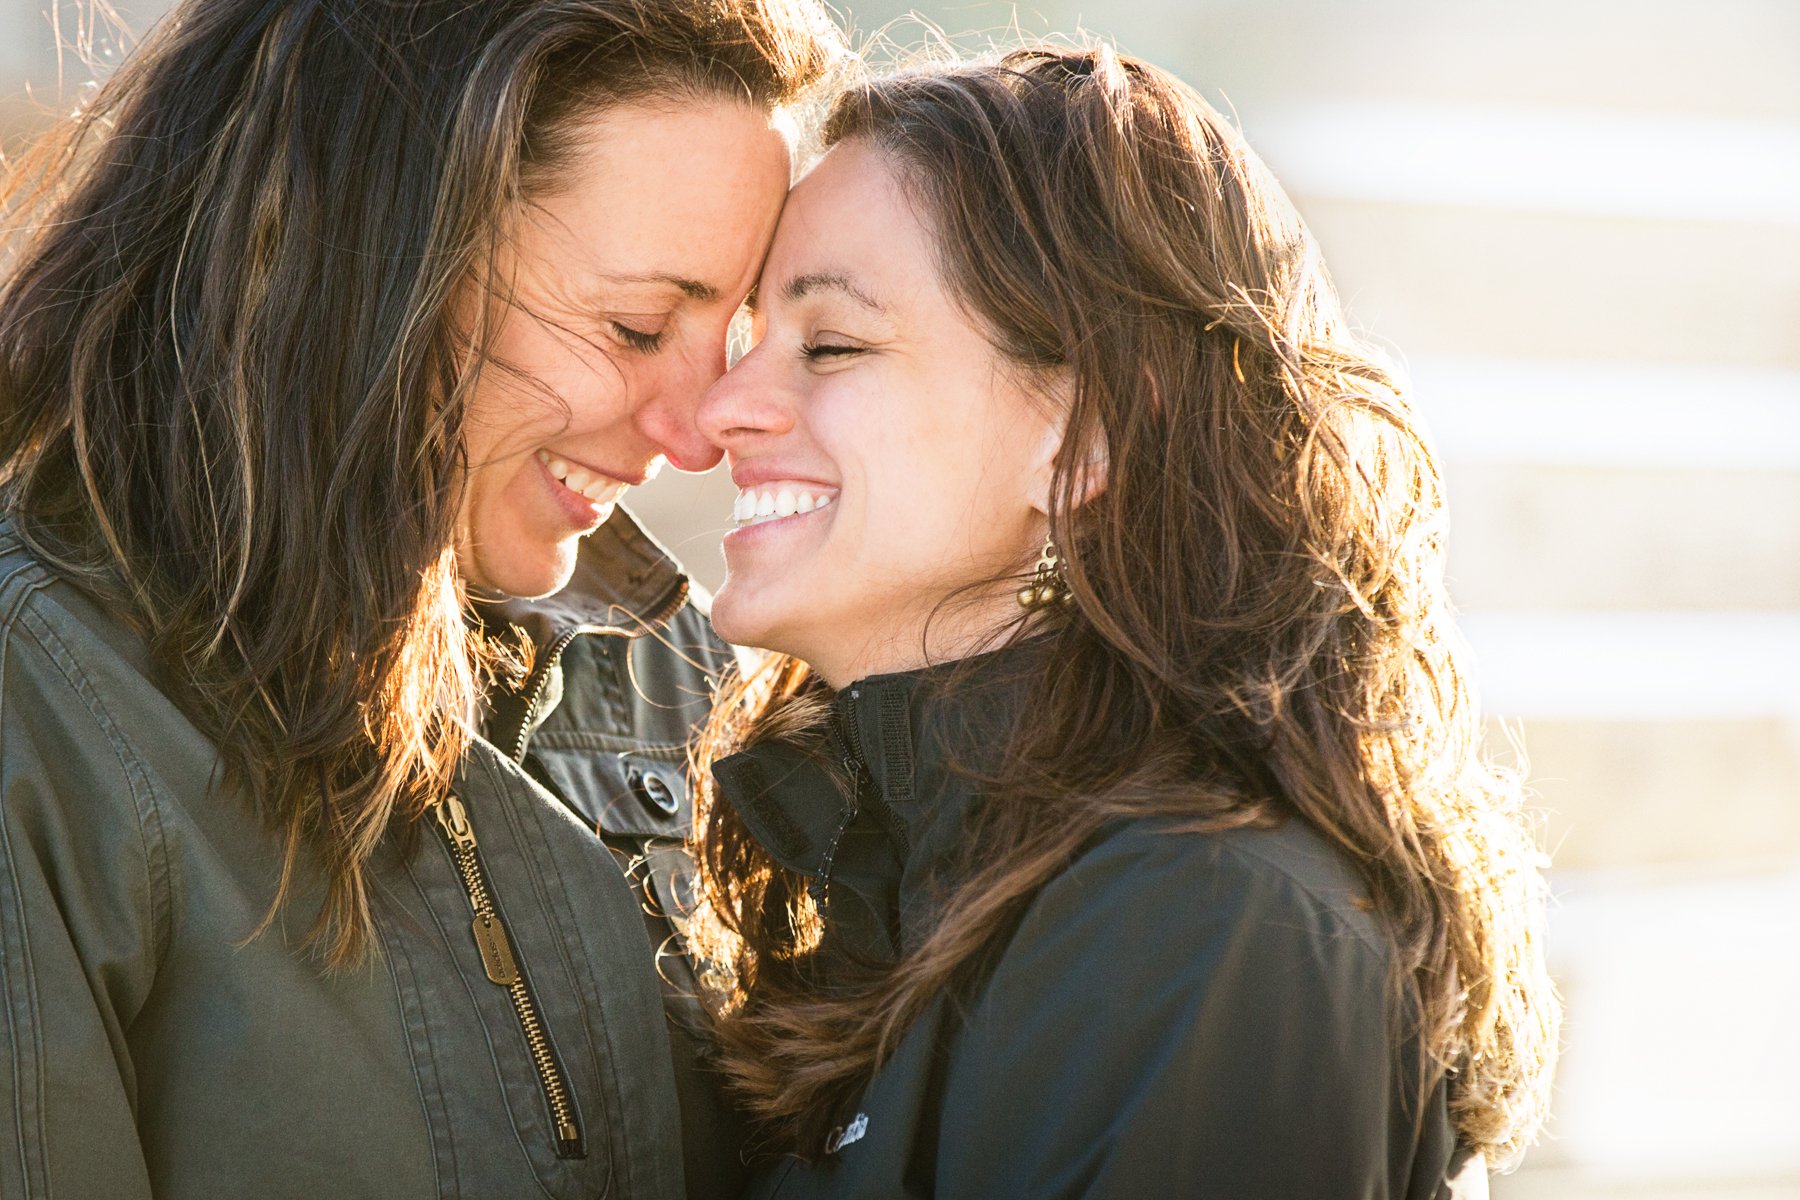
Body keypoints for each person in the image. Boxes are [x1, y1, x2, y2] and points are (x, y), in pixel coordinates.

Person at [687, 45, 1559, 1198]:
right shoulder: (894, 893)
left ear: (1088, 435)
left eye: (832, 345)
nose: (723, 409)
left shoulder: (1209, 935)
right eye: (751, 344)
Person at [0, 0, 839, 1196]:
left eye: (732, 335)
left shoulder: (673, 670)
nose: (697, 434)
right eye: (638, 325)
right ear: (370, 255)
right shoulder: (39, 712)